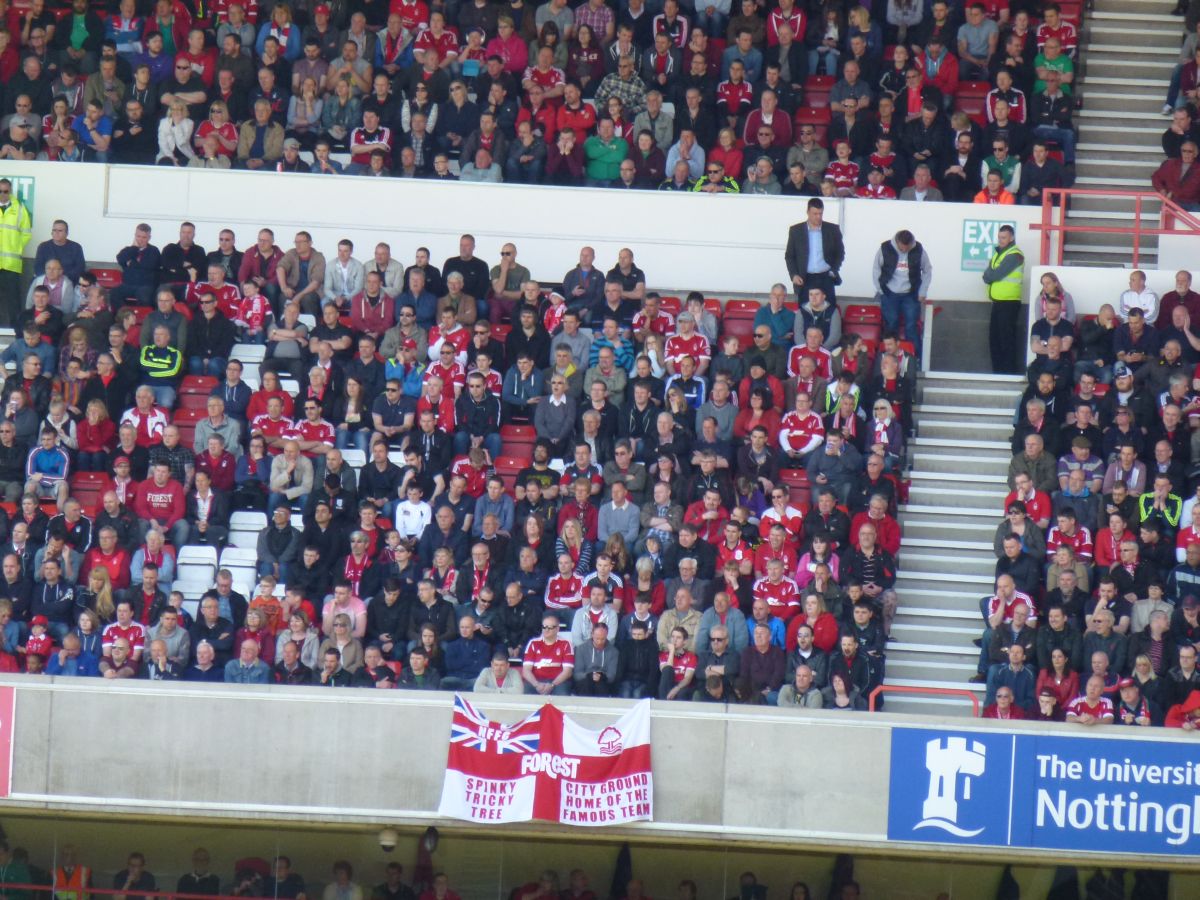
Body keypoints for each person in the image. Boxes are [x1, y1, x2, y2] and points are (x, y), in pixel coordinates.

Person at [784, 199, 845, 306]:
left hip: (826, 276)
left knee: (829, 309)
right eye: (815, 214)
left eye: (820, 213)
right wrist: (793, 274)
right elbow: (790, 256)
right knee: (805, 310)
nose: (818, 217)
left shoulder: (833, 229)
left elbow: (840, 253)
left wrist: (834, 270)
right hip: (805, 277)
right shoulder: (796, 230)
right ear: (807, 212)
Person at [982, 224, 1025, 375]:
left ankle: (1008, 374)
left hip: (1009, 302)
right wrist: (989, 274)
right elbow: (988, 274)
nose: (1001, 240)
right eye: (999, 237)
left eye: (1004, 237)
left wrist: (990, 275)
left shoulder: (1015, 255)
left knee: (1006, 340)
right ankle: (998, 373)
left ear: (1012, 238)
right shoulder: (998, 253)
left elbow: (992, 275)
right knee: (995, 339)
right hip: (998, 302)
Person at [0, 179, 32, 328]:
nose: (2, 194)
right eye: (0, 191)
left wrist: (17, 248)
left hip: (12, 264)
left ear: (10, 191)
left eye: (5, 191)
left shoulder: (19, 209)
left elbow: (26, 234)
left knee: (13, 300)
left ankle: (15, 330)